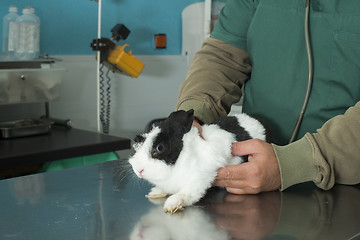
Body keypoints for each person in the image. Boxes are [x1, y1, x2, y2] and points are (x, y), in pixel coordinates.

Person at [175, 0, 360, 194]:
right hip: (251, 186)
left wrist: (294, 163)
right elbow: (222, 55)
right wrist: (191, 119)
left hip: (343, 194)